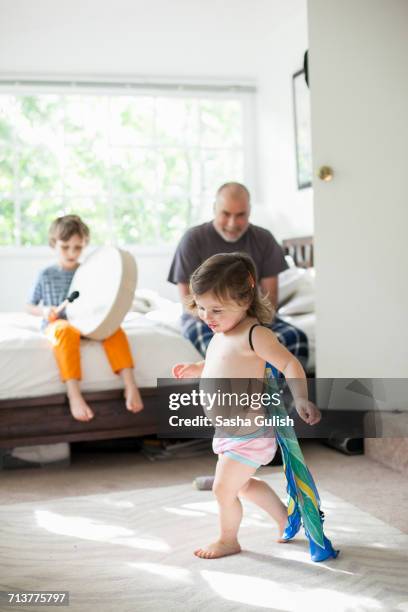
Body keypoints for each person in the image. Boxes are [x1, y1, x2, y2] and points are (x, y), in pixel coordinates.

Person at [172, 252, 321, 559]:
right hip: (229, 431)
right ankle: (285, 518)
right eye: (200, 307)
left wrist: (303, 398)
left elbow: (290, 364)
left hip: (250, 433)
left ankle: (229, 540)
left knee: (221, 490)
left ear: (245, 298)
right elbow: (221, 363)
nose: (207, 316)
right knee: (241, 486)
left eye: (216, 309)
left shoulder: (256, 334)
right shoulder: (222, 331)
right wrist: (198, 368)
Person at [167, 182, 308, 367]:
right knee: (226, 350)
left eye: (240, 215)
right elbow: (188, 301)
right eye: (226, 214)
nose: (233, 223)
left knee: (295, 338)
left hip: (247, 314)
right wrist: (223, 322)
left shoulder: (263, 239)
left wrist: (246, 326)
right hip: (201, 319)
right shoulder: (193, 239)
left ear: (249, 212)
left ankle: (277, 394)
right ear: (214, 209)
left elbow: (270, 297)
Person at [26, 214, 143, 422]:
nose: (72, 253)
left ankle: (130, 385)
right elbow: (29, 306)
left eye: (78, 247)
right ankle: (74, 394)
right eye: (65, 247)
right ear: (54, 244)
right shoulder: (46, 274)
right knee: (64, 331)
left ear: (84, 245)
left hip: (86, 323)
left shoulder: (87, 272)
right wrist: (45, 312)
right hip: (58, 323)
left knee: (114, 330)